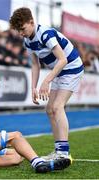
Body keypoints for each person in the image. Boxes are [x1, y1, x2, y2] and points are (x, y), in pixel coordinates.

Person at [9, 7, 84, 161]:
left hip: (71, 67)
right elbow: (35, 65)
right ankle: (58, 151)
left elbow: (63, 59)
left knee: (57, 106)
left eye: (22, 29)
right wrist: (33, 88)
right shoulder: (27, 40)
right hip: (59, 70)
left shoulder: (46, 34)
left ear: (31, 22)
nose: (21, 33)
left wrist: (47, 80)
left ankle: (63, 153)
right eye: (18, 31)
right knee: (49, 109)